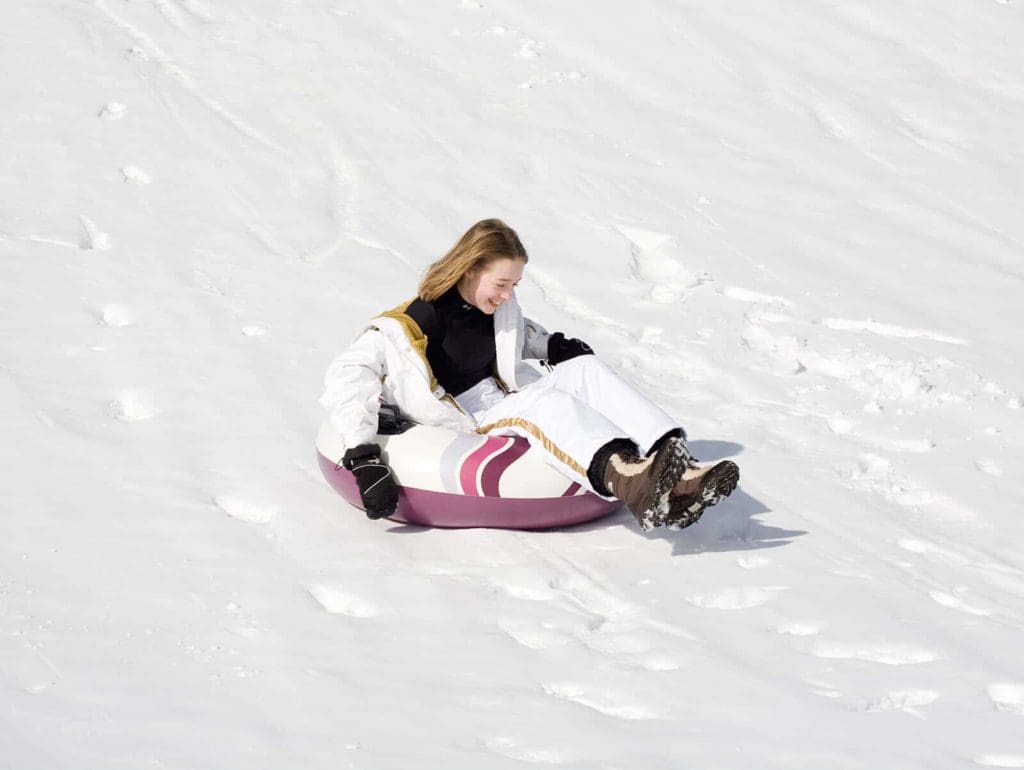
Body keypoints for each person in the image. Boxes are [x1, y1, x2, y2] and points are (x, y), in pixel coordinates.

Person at [320, 219, 739, 531]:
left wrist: (552, 347)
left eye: (515, 285)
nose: (507, 295)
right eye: (501, 284)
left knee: (585, 369)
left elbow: (516, 334)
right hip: (466, 416)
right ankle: (628, 479)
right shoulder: (410, 324)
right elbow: (349, 373)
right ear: (469, 269)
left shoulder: (498, 306)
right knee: (544, 402)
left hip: (502, 394)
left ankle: (678, 465)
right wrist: (362, 455)